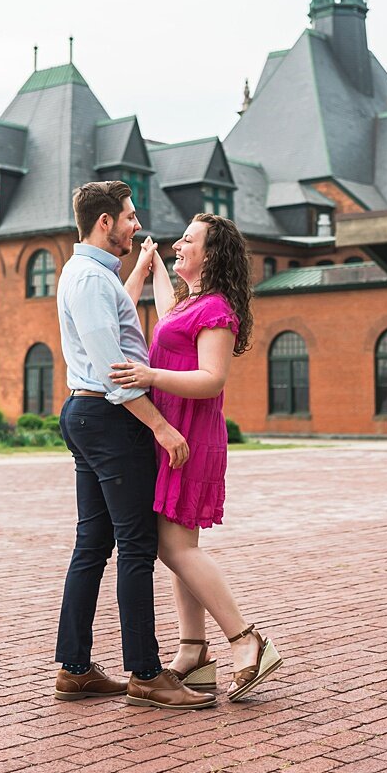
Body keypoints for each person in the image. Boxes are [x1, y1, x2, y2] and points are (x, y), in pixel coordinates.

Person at [53, 180, 214, 710]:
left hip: (88, 413)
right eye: (128, 217)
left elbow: (115, 322)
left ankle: (75, 669)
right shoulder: (91, 282)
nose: (136, 225)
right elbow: (117, 373)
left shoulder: (90, 275)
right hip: (109, 417)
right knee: (137, 547)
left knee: (93, 545)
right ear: (105, 223)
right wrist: (161, 428)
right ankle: (146, 674)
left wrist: (143, 269)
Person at [111, 213, 282, 701]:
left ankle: (247, 641)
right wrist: (151, 263)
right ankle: (193, 652)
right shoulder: (192, 305)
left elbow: (212, 379)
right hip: (173, 436)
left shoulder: (218, 311)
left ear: (212, 255)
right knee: (181, 549)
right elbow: (166, 317)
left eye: (189, 240)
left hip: (191, 437)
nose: (178, 244)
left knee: (175, 548)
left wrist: (149, 376)